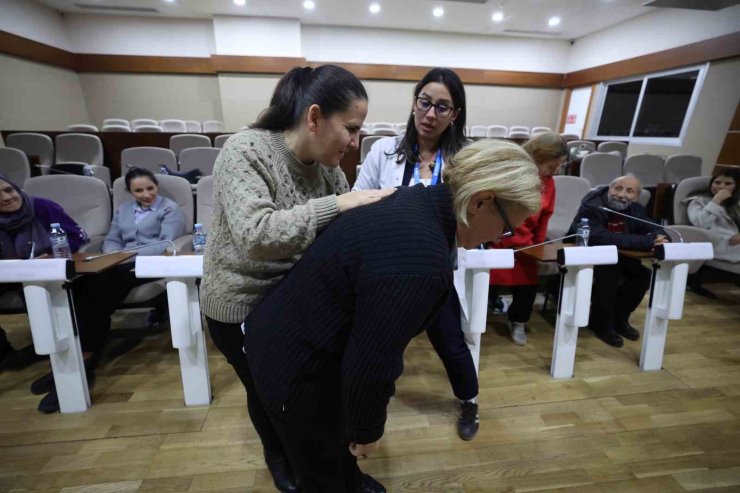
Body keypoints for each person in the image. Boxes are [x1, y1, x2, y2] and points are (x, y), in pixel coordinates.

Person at [243, 139, 542, 493]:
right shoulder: (423, 262)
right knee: (320, 470)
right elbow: (371, 361)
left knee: (337, 453)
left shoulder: (416, 198)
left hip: (290, 331)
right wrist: (367, 430)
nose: (499, 238)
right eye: (506, 227)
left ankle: (350, 479)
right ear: (481, 201)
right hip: (295, 364)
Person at [199, 64, 394, 493]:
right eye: (352, 128)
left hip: (293, 303)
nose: (357, 142)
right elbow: (257, 235)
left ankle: (333, 470)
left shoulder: (329, 170)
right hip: (240, 304)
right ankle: (279, 454)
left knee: (313, 396)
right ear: (314, 117)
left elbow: (338, 235)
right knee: (273, 396)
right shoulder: (245, 150)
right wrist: (340, 205)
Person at [353, 67, 480, 440]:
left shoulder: (466, 159)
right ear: (414, 103)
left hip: (437, 271)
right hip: (387, 269)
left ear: (455, 114)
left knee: (452, 344)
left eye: (443, 107)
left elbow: (475, 217)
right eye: (425, 103)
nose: (430, 114)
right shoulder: (384, 150)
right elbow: (358, 200)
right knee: (380, 346)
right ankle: (367, 415)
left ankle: (469, 401)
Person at [30, 167, 186, 413]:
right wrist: (110, 255)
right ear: (129, 192)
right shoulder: (123, 210)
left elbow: (163, 244)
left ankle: (84, 361)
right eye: (139, 190)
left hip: (146, 264)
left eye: (150, 188)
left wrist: (123, 256)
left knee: (99, 292)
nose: (146, 194)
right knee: (80, 288)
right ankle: (76, 356)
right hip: (117, 263)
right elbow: (112, 238)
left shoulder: (169, 209)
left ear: (156, 186)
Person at [0, 172, 89, 372]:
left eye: (8, 190)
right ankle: (4, 352)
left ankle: (59, 356)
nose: (6, 198)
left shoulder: (41, 206)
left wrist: (51, 254)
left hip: (43, 271)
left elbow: (78, 237)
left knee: (35, 290)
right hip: (8, 272)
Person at [568, 175, 668, 348]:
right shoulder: (592, 206)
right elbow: (599, 237)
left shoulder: (635, 209)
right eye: (617, 188)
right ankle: (601, 324)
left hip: (618, 255)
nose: (621, 195)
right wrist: (647, 241)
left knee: (643, 275)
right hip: (587, 253)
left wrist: (661, 237)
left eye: (629, 191)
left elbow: (654, 228)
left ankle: (620, 319)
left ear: (636, 197)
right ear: (609, 189)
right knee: (609, 273)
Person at [488, 132, 565, 345]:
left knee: (528, 284)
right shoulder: (511, 172)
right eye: (551, 166)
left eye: (558, 166)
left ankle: (518, 321)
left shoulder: (549, 182)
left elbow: (545, 216)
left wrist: (538, 246)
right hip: (497, 242)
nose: (555, 171)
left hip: (526, 246)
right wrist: (494, 238)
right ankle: (479, 316)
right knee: (484, 279)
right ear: (535, 159)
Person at [686, 169, 740, 263]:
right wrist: (716, 200)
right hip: (717, 246)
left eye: (728, 183)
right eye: (717, 182)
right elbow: (701, 224)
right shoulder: (697, 201)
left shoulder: (736, 202)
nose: (721, 186)